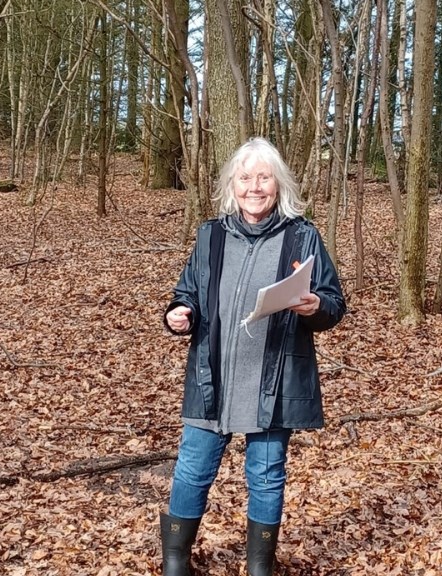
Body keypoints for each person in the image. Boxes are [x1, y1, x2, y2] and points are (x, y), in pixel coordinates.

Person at [159, 137, 346, 576]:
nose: (254, 187)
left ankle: (260, 566)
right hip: (213, 378)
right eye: (245, 178)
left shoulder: (302, 236)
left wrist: (315, 306)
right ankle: (175, 562)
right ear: (233, 185)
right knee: (192, 469)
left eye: (263, 178)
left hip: (273, 381)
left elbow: (334, 303)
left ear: (278, 185)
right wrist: (176, 315)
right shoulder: (210, 235)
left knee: (266, 474)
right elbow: (185, 294)